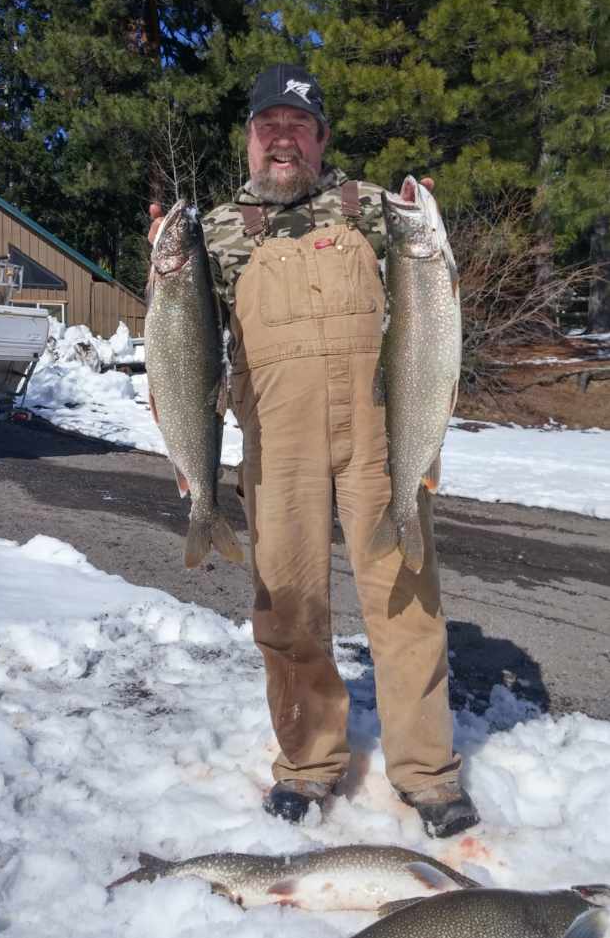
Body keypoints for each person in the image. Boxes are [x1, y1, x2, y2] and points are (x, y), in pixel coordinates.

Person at [149, 63, 479, 839]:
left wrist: (429, 227)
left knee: (406, 602)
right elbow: (185, 344)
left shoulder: (369, 208)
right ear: (249, 140)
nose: (282, 140)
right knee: (288, 605)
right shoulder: (217, 229)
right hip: (277, 434)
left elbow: (426, 297)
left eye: (298, 128)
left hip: (378, 432)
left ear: (322, 139)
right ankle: (308, 762)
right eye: (269, 128)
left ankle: (426, 773)